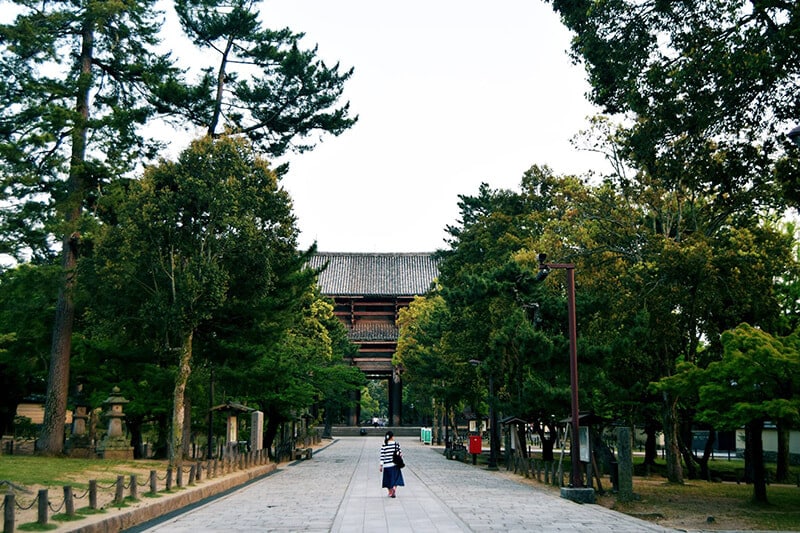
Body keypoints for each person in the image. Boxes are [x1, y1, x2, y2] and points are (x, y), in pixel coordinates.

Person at [379, 431, 405, 498]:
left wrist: (381, 465)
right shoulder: (396, 444)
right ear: (392, 437)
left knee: (388, 479)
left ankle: (390, 492)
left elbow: (382, 456)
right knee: (396, 478)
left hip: (387, 465)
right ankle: (394, 488)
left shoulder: (384, 445)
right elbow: (400, 454)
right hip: (395, 464)